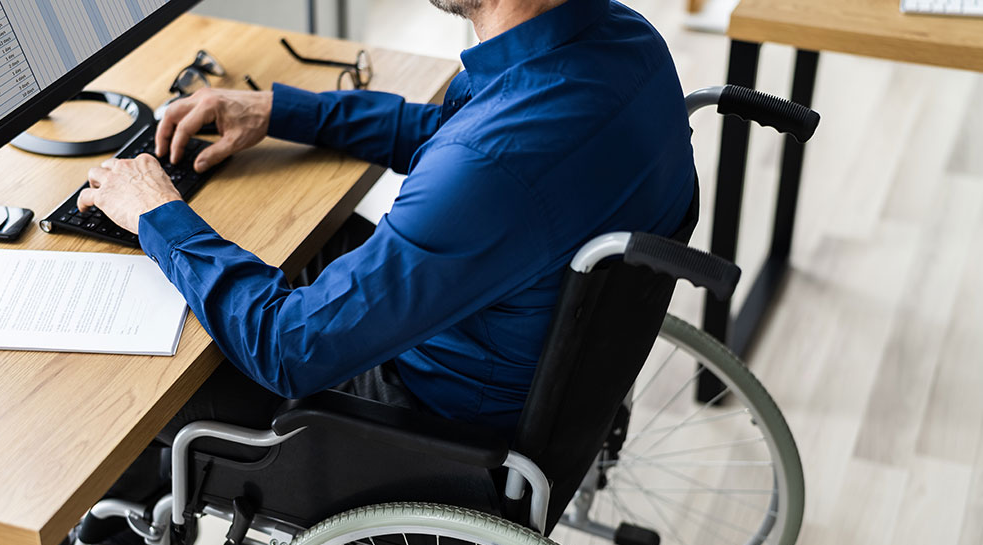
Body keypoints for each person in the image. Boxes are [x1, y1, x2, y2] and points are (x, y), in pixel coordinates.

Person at [82, 0, 693, 458]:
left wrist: (157, 214)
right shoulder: (624, 39)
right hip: (525, 362)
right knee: (298, 238)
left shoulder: (492, 164)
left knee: (132, 370)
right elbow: (456, 136)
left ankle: (110, 530)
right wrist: (280, 110)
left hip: (422, 428)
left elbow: (290, 348)